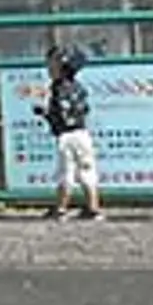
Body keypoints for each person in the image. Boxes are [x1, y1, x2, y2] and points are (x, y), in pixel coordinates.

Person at [41, 44, 103, 222]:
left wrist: (46, 115)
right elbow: (83, 110)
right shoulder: (78, 87)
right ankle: (93, 208)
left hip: (66, 136)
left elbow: (58, 114)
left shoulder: (57, 88)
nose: (49, 69)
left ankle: (61, 208)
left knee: (66, 172)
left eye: (51, 66)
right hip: (82, 133)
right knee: (87, 170)